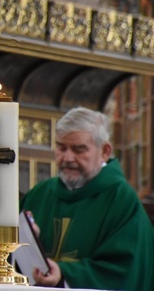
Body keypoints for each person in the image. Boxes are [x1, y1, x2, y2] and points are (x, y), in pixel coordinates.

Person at [20, 107, 154, 290]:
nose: (67, 158)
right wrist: (25, 242)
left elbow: (123, 270)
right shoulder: (39, 195)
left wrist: (64, 274)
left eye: (79, 149)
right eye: (61, 147)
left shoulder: (122, 200)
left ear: (105, 151)